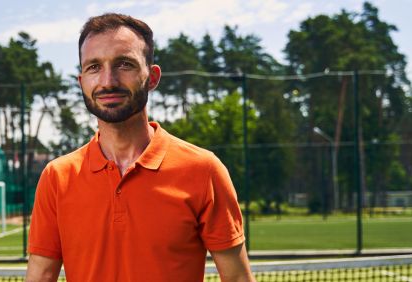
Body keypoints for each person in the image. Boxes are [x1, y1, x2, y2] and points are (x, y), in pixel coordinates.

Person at [25, 13, 254, 282]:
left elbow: (238, 278)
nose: (108, 81)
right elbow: (39, 277)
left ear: (152, 77)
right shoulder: (56, 178)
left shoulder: (204, 170)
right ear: (82, 82)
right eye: (94, 67)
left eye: (124, 64)